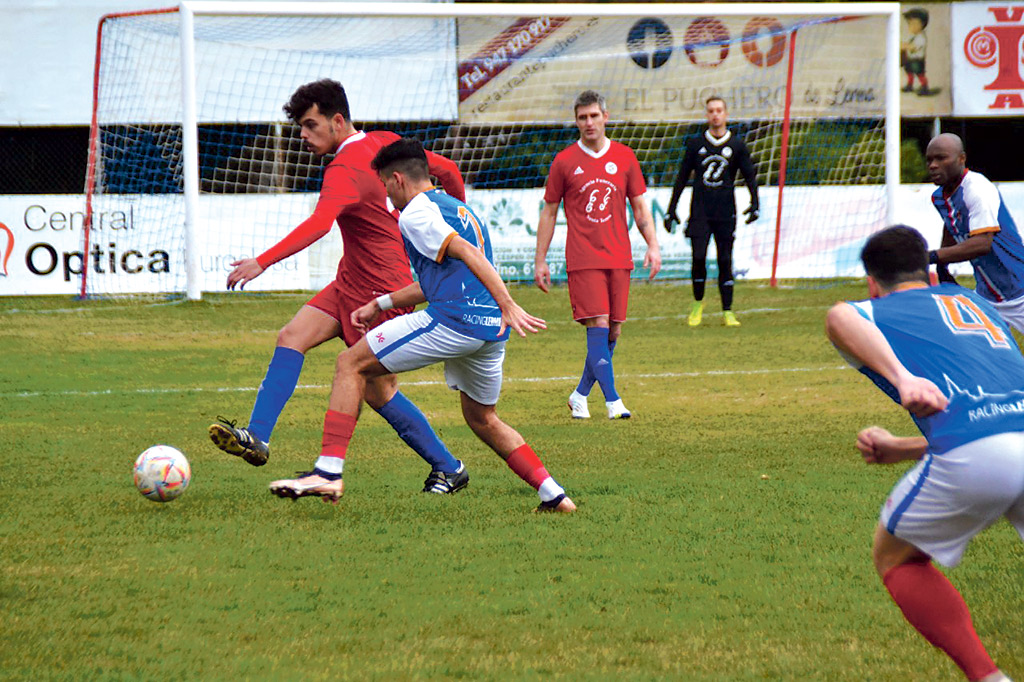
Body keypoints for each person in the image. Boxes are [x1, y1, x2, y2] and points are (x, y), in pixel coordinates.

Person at [268, 138, 576, 513]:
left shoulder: (416, 212)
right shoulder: (459, 208)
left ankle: (328, 472)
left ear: (397, 179)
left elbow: (467, 253)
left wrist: (508, 302)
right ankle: (555, 496)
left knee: (351, 363)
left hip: (456, 322)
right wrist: (380, 304)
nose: (386, 196)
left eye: (384, 186)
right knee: (482, 418)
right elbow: (436, 279)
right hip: (490, 331)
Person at [208, 78, 472, 495]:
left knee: (377, 390)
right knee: (291, 336)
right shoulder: (386, 142)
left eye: (311, 125)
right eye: (300, 127)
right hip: (350, 278)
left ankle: (447, 466)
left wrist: (262, 261)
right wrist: (460, 216)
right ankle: (257, 436)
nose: (303, 135)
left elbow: (318, 224)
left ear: (336, 120)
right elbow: (451, 172)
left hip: (383, 288)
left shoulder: (344, 169)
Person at [826, 224, 1020, 682]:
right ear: (930, 275)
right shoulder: (976, 303)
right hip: (1008, 436)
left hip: (982, 456)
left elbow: (839, 317)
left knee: (896, 557)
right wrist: (903, 447)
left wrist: (902, 377)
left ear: (872, 284)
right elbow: (994, 411)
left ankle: (988, 678)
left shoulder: (872, 311)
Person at [534, 90, 661, 421]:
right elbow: (549, 213)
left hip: (619, 257)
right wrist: (540, 259)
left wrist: (653, 245)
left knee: (613, 332)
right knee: (599, 327)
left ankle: (579, 396)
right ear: (576, 121)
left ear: (606, 117)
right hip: (583, 259)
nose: (588, 122)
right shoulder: (564, 162)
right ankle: (613, 401)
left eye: (594, 116)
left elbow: (639, 207)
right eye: (582, 117)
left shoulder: (625, 157)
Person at [665, 96, 759, 327]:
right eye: (711, 111)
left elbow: (749, 176)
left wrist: (755, 202)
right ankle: (698, 304)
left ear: (726, 114)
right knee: (698, 258)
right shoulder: (696, 144)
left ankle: (728, 311)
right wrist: (671, 209)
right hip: (700, 212)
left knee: (725, 260)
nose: (715, 115)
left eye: (719, 110)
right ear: (707, 115)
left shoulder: (737, 145)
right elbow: (682, 177)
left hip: (725, 212)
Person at [926, 132, 1024, 334]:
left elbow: (982, 243)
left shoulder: (978, 189)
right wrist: (942, 267)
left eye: (941, 158)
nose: (933, 165)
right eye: (929, 160)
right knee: (958, 343)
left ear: (962, 158)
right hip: (986, 297)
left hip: (1019, 290)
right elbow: (951, 225)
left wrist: (931, 256)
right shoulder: (940, 197)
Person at [901, 8, 931, 96]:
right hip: (910, 59)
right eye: (910, 24)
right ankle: (910, 85)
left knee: (919, 73)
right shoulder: (913, 36)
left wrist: (904, 46)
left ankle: (924, 86)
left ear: (922, 24)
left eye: (915, 24)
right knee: (909, 72)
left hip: (917, 60)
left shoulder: (921, 38)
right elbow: (908, 44)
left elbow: (912, 47)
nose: (911, 26)